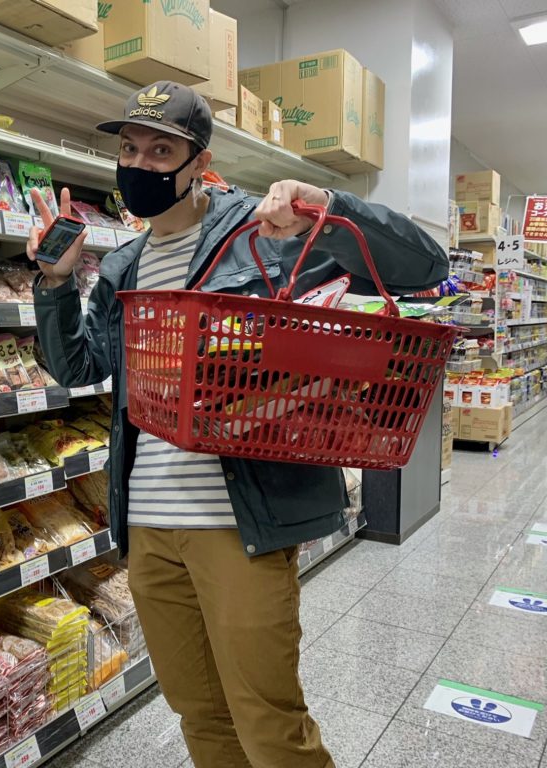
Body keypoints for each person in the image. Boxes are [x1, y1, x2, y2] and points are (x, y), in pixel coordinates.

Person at [28, 81, 448, 768]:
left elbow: (424, 269)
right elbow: (78, 367)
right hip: (149, 528)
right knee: (199, 712)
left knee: (268, 721)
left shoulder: (265, 235)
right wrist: (53, 284)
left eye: (161, 150)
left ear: (200, 161)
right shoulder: (127, 264)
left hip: (237, 523)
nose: (139, 164)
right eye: (129, 148)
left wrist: (330, 205)